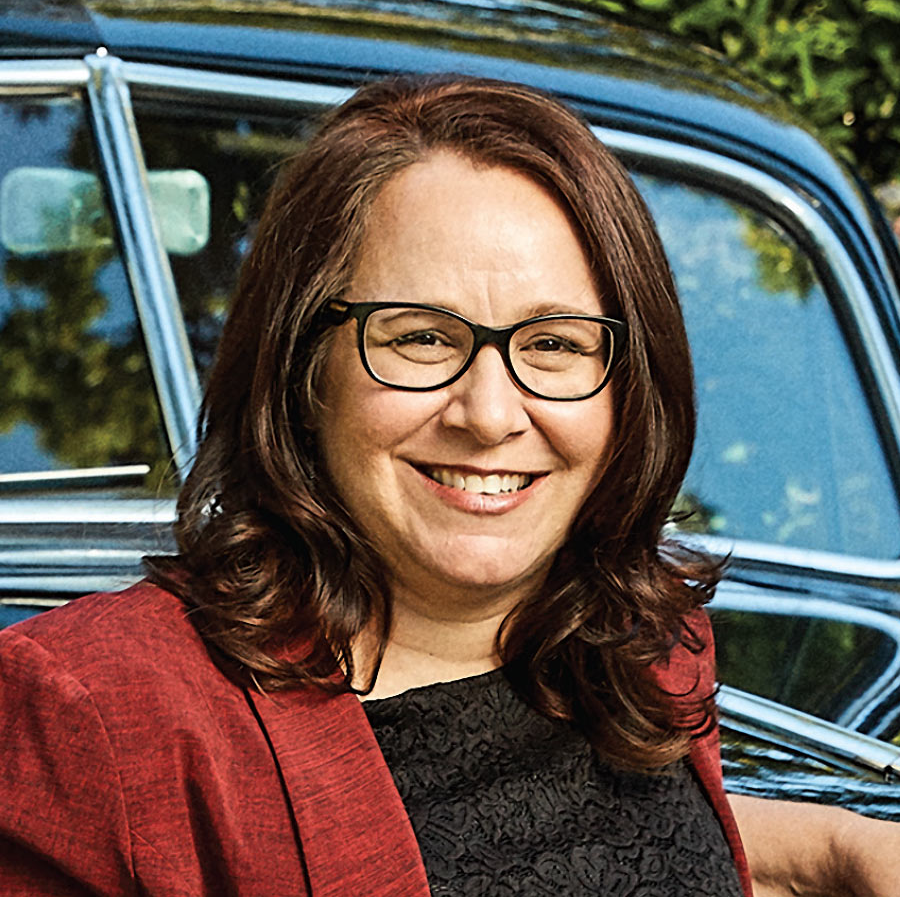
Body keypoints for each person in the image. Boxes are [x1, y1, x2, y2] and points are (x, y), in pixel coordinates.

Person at [1, 74, 898, 897]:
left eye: (556, 345)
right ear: (304, 371)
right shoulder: (95, 719)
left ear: (629, 390)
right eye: (421, 338)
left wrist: (834, 845)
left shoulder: (640, 637)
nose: (490, 413)